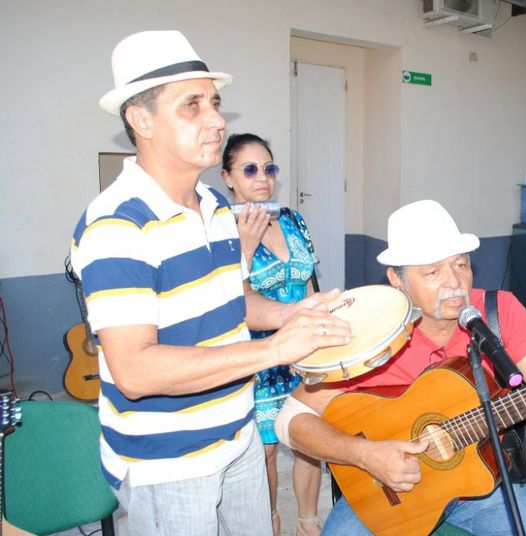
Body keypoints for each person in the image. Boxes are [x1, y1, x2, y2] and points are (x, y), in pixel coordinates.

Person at [70, 31, 352, 535]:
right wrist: (274, 351)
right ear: (141, 120)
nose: (217, 118)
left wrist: (294, 315)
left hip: (237, 433)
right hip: (169, 463)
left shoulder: (217, 207)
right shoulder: (116, 224)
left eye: (215, 102)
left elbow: (233, 302)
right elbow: (135, 369)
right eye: (192, 105)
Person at [275, 200, 526, 535]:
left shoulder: (500, 315)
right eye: (432, 272)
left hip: (486, 485)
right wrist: (366, 455)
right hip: (384, 491)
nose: (455, 283)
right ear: (396, 278)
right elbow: (291, 420)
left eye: (461, 264)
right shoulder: (366, 332)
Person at [222, 133, 322, 536]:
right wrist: (244, 247)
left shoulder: (294, 220)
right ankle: (270, 524)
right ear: (228, 177)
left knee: (310, 442)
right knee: (263, 450)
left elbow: (311, 284)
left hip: (305, 352)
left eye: (268, 168)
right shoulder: (219, 229)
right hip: (259, 358)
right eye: (249, 169)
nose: (262, 177)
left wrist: (322, 341)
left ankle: (308, 524)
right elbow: (223, 299)